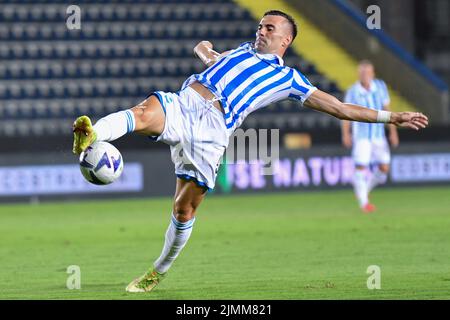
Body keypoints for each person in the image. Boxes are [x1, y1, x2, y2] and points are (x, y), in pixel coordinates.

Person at [72, 10, 428, 293]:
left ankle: (158, 270)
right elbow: (203, 48)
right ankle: (92, 134)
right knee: (145, 111)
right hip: (186, 103)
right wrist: (206, 51)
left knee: (184, 208)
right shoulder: (240, 51)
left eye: (269, 28)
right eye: (261, 25)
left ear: (285, 39)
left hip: (213, 132)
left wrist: (392, 116)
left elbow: (339, 107)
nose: (262, 30)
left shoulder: (289, 79)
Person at [341, 61, 399, 213]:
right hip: (361, 137)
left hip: (378, 136)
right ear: (358, 74)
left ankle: (364, 190)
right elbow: (345, 114)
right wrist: (346, 134)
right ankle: (364, 202)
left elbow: (387, 110)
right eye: (362, 73)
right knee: (361, 167)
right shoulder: (352, 91)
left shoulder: (380, 87)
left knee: (384, 168)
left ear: (373, 74)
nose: (365, 75)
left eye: (367, 73)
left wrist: (393, 132)